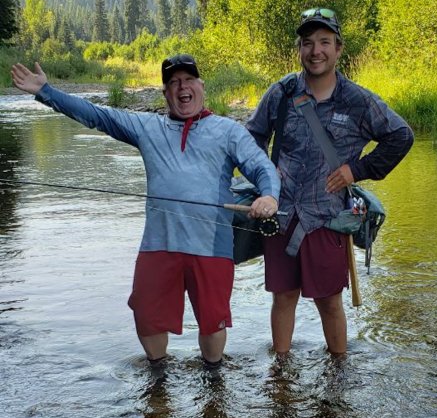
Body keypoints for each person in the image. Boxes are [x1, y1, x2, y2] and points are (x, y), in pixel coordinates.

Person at [11, 54, 280, 368]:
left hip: (211, 247)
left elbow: (263, 168)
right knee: (147, 316)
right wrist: (47, 92)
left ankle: (213, 376)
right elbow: (96, 115)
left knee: (213, 321)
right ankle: (158, 377)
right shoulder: (147, 127)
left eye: (188, 80)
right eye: (174, 82)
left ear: (201, 86)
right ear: (165, 93)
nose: (183, 87)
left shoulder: (228, 131)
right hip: (157, 245)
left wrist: (269, 198)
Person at [246, 8, 414, 357]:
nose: (315, 51)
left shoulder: (359, 100)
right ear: (299, 50)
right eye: (308, 43)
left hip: (328, 220)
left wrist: (357, 169)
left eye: (324, 42)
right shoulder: (280, 93)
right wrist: (264, 174)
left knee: (329, 301)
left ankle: (339, 373)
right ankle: (281, 375)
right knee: (283, 297)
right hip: (281, 217)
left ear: (339, 49)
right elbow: (252, 137)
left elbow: (401, 136)